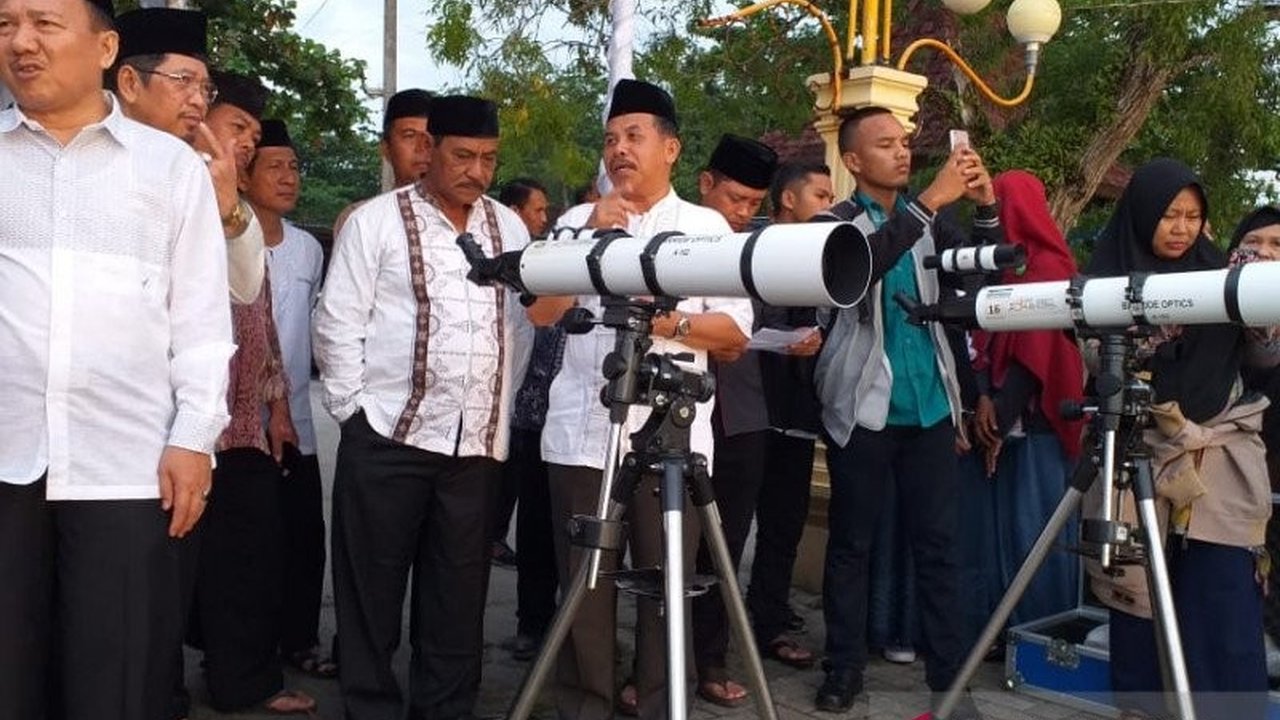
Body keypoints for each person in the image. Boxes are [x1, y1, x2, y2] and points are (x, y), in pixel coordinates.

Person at [0, 2, 235, 719]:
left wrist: (194, 436)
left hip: (128, 468)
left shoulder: (168, 167)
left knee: (118, 678)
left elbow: (199, 318)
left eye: (43, 23)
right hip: (6, 460)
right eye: (5, 25)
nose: (20, 43)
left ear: (106, 47)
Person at [527, 78, 752, 720]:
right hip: (581, 436)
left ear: (671, 148)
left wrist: (661, 323)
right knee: (584, 593)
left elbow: (734, 334)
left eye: (634, 136)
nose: (619, 150)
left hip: (670, 444)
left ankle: (660, 705)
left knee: (666, 590)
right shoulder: (574, 222)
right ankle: (586, 706)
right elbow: (541, 314)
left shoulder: (705, 228)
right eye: (610, 139)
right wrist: (585, 242)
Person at [314, 95, 533, 720]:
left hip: (474, 450)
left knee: (459, 598)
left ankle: (445, 710)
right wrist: (354, 412)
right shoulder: (376, 222)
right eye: (462, 155)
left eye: (489, 159)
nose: (476, 171)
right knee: (370, 592)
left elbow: (517, 329)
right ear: (429, 151)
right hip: (387, 438)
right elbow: (337, 324)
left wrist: (497, 409)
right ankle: (370, 707)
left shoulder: (509, 229)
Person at [811, 106, 1000, 717]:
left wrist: (987, 206)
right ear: (853, 160)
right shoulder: (832, 223)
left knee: (941, 547)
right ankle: (843, 669)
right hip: (862, 410)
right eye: (885, 144)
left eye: (905, 142)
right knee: (850, 545)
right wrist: (930, 204)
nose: (902, 153)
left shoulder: (932, 221)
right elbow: (863, 266)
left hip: (928, 410)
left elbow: (978, 286)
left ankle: (950, 681)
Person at [1083, 158, 1277, 720]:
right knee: (1137, 596)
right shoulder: (1106, 278)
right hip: (1136, 452)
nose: (1181, 228)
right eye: (1169, 214)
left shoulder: (1221, 275)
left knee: (1222, 599)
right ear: (1142, 215)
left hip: (1216, 461)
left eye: (1194, 216)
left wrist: (1258, 302)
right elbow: (1095, 356)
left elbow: (1264, 360)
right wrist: (1151, 325)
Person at [191, 91, 316, 715]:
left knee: (250, 555)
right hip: (168, 419)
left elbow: (257, 319)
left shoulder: (233, 211)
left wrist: (279, 406)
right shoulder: (162, 186)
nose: (245, 141)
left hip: (239, 422)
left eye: (250, 132)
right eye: (237, 127)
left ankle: (244, 680)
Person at [691, 133, 816, 709]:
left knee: (724, 545)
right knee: (657, 545)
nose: (741, 213)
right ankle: (647, 662)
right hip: (672, 411)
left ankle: (710, 659)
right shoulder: (674, 235)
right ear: (705, 184)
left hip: (741, 415)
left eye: (751, 204)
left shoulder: (763, 248)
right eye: (733, 198)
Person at [965, 170, 1084, 643]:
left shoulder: (1048, 269)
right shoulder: (1007, 267)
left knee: (1038, 534)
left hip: (1038, 426)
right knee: (1008, 537)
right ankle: (1009, 633)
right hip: (1007, 420)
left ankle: (1043, 637)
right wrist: (986, 406)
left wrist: (997, 417)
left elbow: (1035, 357)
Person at [241, 118, 333, 679]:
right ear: (245, 176)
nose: (288, 176)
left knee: (303, 539)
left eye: (294, 166)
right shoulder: (224, 238)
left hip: (297, 416)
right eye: (273, 165)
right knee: (251, 544)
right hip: (238, 424)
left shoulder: (307, 251)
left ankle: (300, 640)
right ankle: (246, 651)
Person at [110, 8, 266, 305]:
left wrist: (229, 210)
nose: (198, 100)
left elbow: (243, 290)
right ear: (130, 83)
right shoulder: (79, 154)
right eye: (182, 80)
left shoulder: (197, 174)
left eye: (205, 89)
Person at [745, 161, 834, 644]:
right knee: (733, 526)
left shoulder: (825, 255)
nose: (829, 206)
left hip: (798, 410)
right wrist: (779, 340)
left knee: (785, 521)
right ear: (788, 200)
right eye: (820, 196)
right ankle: (714, 628)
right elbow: (737, 323)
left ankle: (770, 615)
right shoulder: (752, 249)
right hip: (748, 410)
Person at [496, 175, 562, 661]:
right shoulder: (545, 264)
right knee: (536, 527)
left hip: (594, 424)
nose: (545, 220)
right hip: (534, 418)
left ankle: (576, 629)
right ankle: (531, 624)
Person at [490, 176, 551, 571]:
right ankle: (489, 535)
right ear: (515, 212)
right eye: (539, 209)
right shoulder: (493, 262)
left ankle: (493, 534)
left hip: (523, 393)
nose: (545, 218)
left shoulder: (542, 259)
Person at [333, 87, 433, 236]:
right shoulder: (362, 219)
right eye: (409, 135)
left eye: (431, 137)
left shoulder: (470, 219)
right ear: (386, 149)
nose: (422, 147)